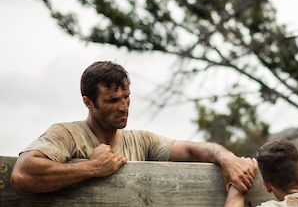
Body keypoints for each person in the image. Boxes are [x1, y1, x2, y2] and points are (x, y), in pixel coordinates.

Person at [10, 60, 256, 194]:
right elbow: (22, 174)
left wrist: (227, 158)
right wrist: (92, 168)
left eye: (126, 97)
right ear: (88, 102)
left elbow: (192, 150)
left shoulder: (141, 142)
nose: (124, 106)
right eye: (113, 100)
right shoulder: (66, 134)